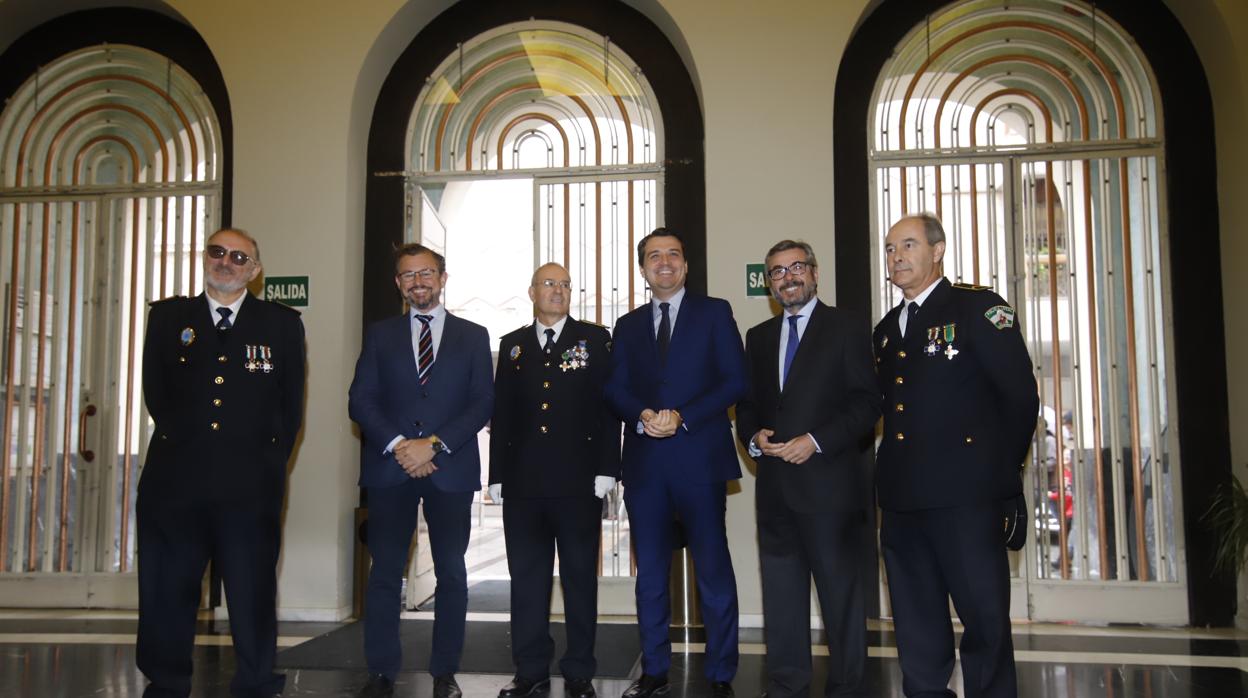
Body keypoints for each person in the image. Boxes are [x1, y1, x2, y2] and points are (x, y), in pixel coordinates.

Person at [136, 227, 306, 698]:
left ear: (254, 271)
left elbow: (290, 407)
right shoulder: (169, 318)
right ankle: (166, 681)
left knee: (251, 592)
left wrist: (270, 464)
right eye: (217, 252)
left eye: (238, 257)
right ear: (204, 257)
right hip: (176, 483)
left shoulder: (281, 324)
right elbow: (156, 393)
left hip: (249, 487)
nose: (225, 262)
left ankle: (255, 681)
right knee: (168, 588)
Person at [873, 214, 1038, 698]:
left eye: (908, 245)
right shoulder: (886, 331)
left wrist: (1005, 480)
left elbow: (1019, 398)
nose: (897, 257)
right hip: (903, 499)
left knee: (984, 617)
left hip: (966, 496)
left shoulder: (978, 309)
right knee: (915, 620)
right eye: (889, 248)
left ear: (937, 250)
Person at [604, 228, 747, 698]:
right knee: (650, 577)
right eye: (653, 256)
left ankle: (721, 673)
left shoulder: (715, 312)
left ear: (685, 265)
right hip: (646, 465)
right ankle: (654, 670)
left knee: (713, 571)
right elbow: (616, 388)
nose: (664, 262)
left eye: (673, 255)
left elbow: (733, 381)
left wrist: (683, 416)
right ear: (642, 268)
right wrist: (643, 415)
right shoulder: (627, 326)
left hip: (700, 460)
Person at [348, 243, 493, 698]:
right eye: (408, 275)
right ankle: (381, 672)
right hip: (390, 469)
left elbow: (482, 402)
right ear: (398, 283)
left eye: (426, 273)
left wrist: (431, 445)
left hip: (449, 466)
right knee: (386, 573)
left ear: (443, 278)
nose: (418, 282)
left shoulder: (473, 335)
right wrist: (399, 446)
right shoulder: (379, 334)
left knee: (451, 573)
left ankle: (445, 671)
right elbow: (361, 399)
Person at [735, 240, 880, 697]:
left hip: (832, 491)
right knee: (781, 601)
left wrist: (815, 442)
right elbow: (749, 405)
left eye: (796, 267)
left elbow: (866, 404)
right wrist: (754, 436)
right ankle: (786, 684)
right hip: (775, 492)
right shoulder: (758, 338)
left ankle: (847, 687)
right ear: (770, 284)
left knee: (841, 600)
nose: (788, 277)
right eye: (777, 272)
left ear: (814, 273)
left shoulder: (847, 327)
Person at [488, 263, 621, 698]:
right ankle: (530, 670)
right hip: (523, 486)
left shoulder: (594, 340)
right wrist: (497, 475)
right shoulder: (513, 347)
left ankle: (580, 669)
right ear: (532, 292)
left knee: (580, 578)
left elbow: (607, 410)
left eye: (564, 285)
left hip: (578, 483)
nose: (558, 291)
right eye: (550, 284)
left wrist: (607, 469)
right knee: (527, 580)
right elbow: (502, 414)